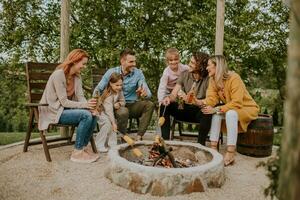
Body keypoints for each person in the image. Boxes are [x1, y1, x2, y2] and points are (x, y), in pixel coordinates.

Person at [38, 49, 99, 163]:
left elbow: (80, 96)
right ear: (74, 61)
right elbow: (63, 102)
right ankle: (77, 153)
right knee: (85, 115)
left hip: (67, 110)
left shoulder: (77, 77)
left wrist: (90, 107)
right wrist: (85, 106)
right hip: (54, 111)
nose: (84, 67)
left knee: (93, 114)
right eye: (83, 63)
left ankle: (83, 148)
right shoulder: (58, 74)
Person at [199, 55, 259, 166]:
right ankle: (214, 150)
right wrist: (199, 102)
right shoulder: (213, 80)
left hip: (246, 108)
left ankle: (230, 152)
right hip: (232, 108)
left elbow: (237, 102)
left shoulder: (234, 78)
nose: (206, 68)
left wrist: (216, 108)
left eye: (208, 65)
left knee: (230, 113)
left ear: (218, 66)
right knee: (216, 115)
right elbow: (211, 99)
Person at [93, 48, 155, 140]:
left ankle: (139, 136)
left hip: (131, 104)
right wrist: (98, 104)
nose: (134, 64)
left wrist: (144, 93)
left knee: (149, 105)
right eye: (131, 62)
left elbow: (147, 92)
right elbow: (98, 90)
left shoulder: (138, 73)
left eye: (134, 61)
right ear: (122, 61)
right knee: (123, 111)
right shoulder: (111, 72)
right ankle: (123, 136)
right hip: (114, 106)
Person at [159, 51, 212, 145]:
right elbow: (173, 94)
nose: (189, 64)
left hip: (198, 111)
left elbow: (210, 100)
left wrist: (195, 101)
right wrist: (168, 98)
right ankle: (165, 142)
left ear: (201, 66)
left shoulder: (209, 79)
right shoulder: (184, 74)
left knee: (207, 111)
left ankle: (200, 145)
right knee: (165, 105)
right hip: (183, 109)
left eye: (192, 63)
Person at [95, 72, 125, 152]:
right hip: (101, 112)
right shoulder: (108, 95)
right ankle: (99, 144)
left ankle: (112, 143)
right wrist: (113, 123)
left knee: (112, 123)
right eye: (117, 85)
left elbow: (123, 102)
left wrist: (119, 103)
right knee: (108, 124)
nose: (119, 87)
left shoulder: (119, 91)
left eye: (121, 85)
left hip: (108, 113)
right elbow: (109, 111)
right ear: (111, 83)